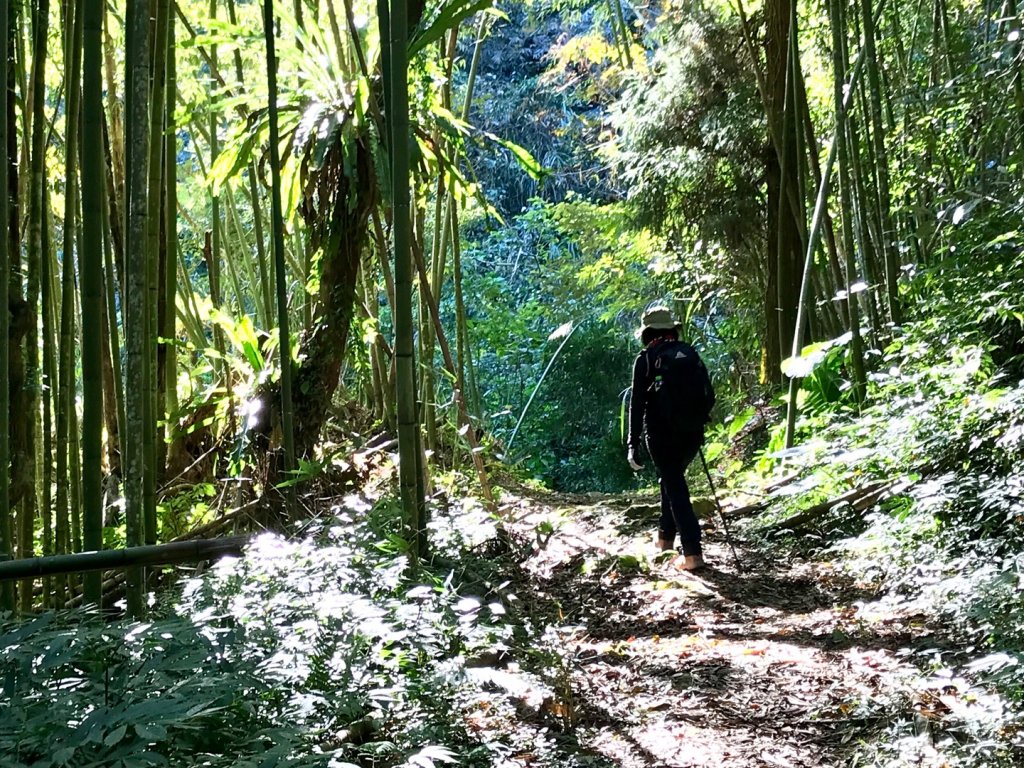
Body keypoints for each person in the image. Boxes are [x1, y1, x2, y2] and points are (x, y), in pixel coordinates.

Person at [626, 305, 715, 570]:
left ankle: (692, 554)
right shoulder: (688, 354)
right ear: (672, 330)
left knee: (674, 485)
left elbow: (637, 403)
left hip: (661, 434)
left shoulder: (646, 358)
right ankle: (664, 540)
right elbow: (708, 394)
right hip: (692, 433)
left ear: (647, 333)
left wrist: (633, 443)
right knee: (671, 478)